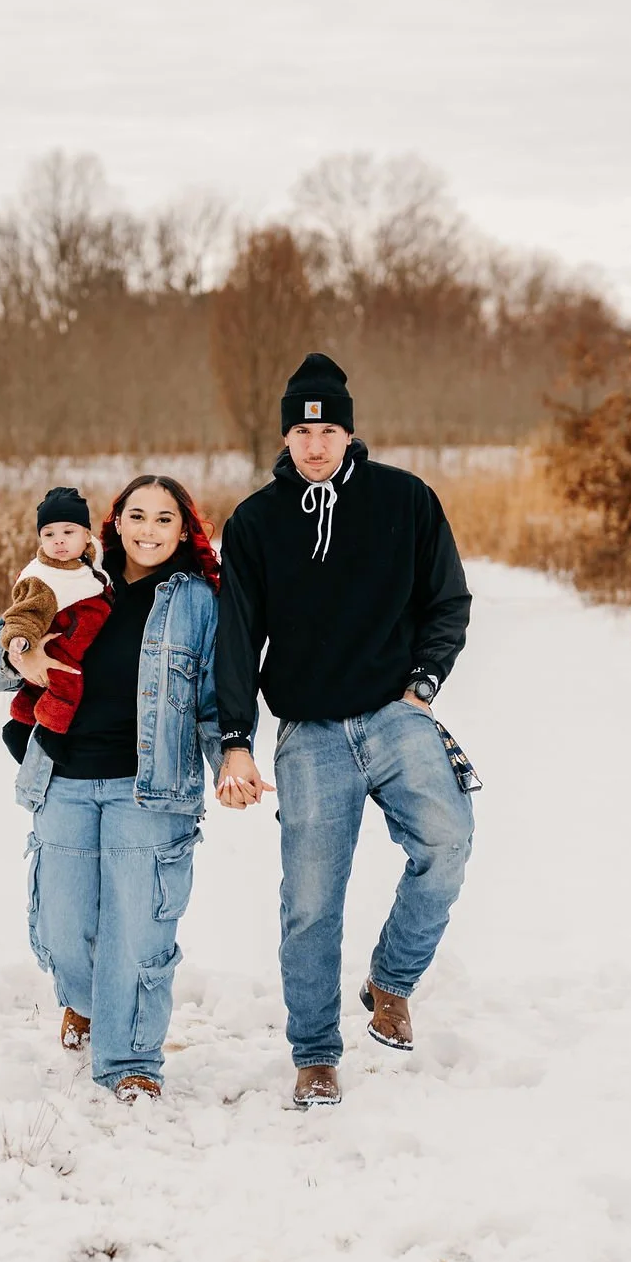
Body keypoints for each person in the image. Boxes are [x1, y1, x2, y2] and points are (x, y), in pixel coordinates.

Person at [214, 353, 476, 1109]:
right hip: (311, 732)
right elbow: (237, 636)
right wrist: (237, 737)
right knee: (310, 901)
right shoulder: (258, 522)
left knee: (447, 842)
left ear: (348, 432)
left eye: (327, 428)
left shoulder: (404, 500)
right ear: (287, 438)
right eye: (302, 429)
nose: (315, 442)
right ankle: (315, 1054)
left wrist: (423, 685)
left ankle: (390, 982)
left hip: (396, 716)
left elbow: (447, 600)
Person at [0, 476, 222, 1103]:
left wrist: (233, 757)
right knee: (62, 923)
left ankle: (131, 1057)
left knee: (138, 929)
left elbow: (218, 695)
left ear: (184, 528)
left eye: (163, 519)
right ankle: (85, 1002)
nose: (147, 530)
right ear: (111, 524)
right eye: (135, 516)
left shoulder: (200, 600)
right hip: (61, 776)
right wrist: (19, 654)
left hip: (150, 789)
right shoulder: (71, 576)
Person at [0, 486, 112, 765]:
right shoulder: (42, 577)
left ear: (87, 535)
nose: (59, 541)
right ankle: (50, 731)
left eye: (68, 532)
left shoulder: (88, 559)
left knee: (36, 690)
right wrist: (19, 640)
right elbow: (24, 614)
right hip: (58, 644)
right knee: (67, 682)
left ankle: (19, 726)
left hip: (76, 639)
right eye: (49, 534)